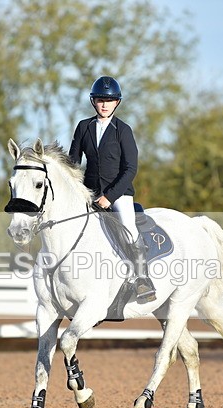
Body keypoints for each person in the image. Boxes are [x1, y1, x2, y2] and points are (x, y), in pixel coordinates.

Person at [68, 76, 156, 303]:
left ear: (117, 102)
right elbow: (73, 163)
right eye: (100, 100)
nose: (104, 104)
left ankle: (142, 279)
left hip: (119, 194)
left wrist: (109, 196)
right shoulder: (84, 127)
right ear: (93, 101)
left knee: (129, 229)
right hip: (89, 192)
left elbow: (130, 168)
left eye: (109, 100)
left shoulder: (123, 130)